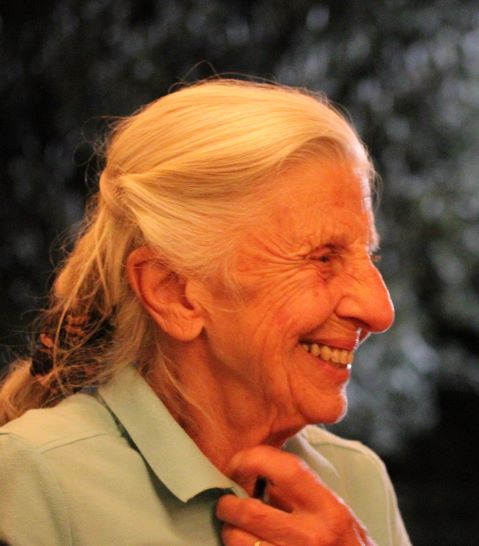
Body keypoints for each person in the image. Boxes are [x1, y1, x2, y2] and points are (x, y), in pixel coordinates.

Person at [0, 78, 411, 545]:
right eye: (322, 258)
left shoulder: (357, 479)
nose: (379, 311)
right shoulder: (34, 479)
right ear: (173, 293)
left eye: (368, 255)